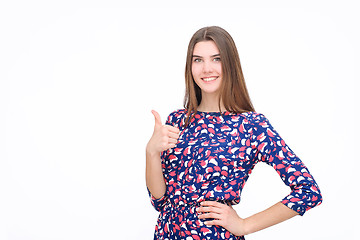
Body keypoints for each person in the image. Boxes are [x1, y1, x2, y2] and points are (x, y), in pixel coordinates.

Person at [145, 26, 322, 240]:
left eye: (216, 59)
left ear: (230, 64)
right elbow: (160, 201)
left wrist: (245, 225)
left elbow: (308, 191)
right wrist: (151, 152)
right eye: (198, 60)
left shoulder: (251, 125)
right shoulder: (177, 120)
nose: (206, 68)